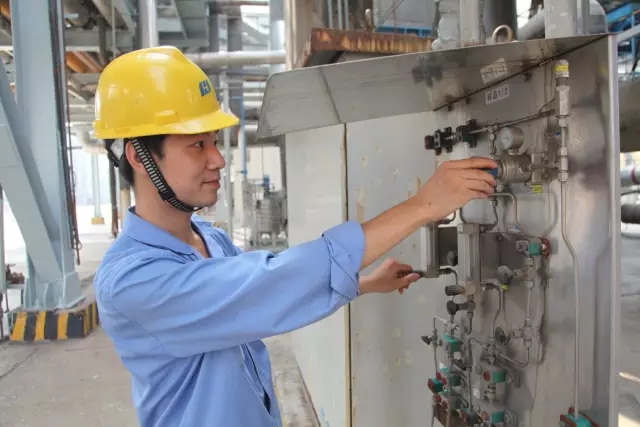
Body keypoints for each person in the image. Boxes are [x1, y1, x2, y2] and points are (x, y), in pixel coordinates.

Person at [93, 46, 497, 427]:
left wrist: (363, 282)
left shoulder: (209, 240)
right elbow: (271, 283)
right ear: (139, 157)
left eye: (214, 142)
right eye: (197, 145)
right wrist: (423, 206)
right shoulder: (132, 281)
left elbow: (251, 305)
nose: (217, 159)